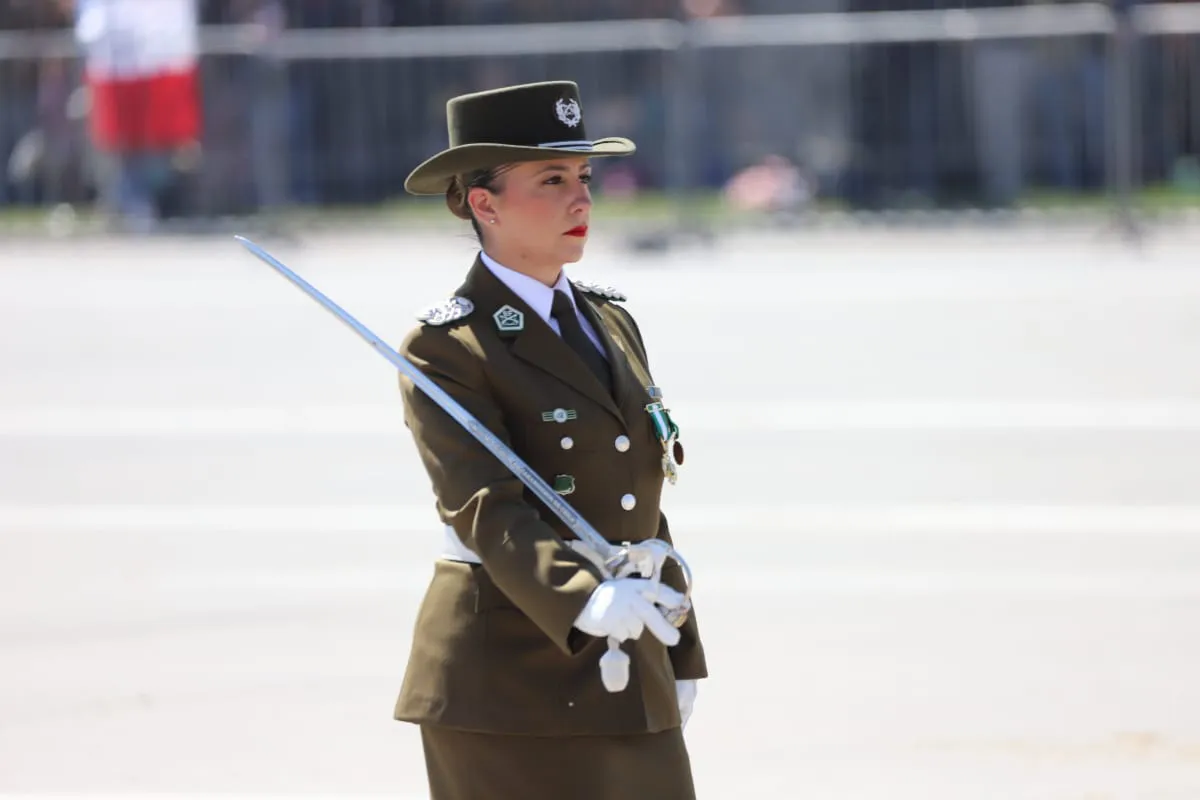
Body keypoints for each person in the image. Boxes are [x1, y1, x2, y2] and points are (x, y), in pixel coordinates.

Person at [391, 80, 708, 800]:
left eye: (584, 178)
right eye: (553, 179)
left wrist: (681, 645)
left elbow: (637, 498)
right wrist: (583, 600)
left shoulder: (610, 322)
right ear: (484, 204)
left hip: (629, 656)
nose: (581, 199)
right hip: (505, 680)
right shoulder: (448, 347)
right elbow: (485, 504)